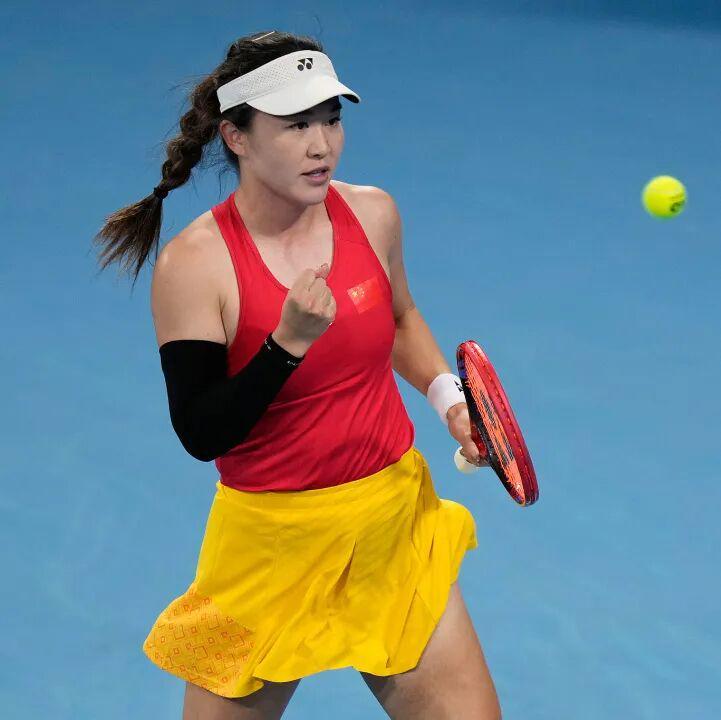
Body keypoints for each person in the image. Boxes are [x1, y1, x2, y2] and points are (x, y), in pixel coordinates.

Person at [93, 30, 501, 720]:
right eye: (296, 125)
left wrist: (448, 398)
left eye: (331, 120)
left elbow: (400, 318)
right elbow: (200, 431)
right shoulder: (194, 266)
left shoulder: (373, 213)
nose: (322, 145)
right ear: (237, 137)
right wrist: (286, 344)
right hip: (268, 550)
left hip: (392, 527)